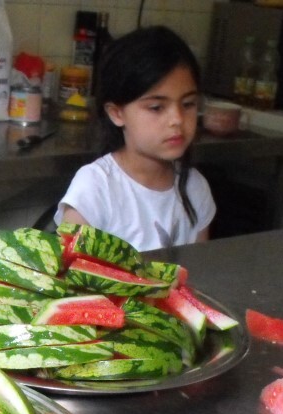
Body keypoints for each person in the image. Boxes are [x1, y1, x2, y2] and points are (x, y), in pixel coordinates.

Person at [55, 26, 216, 252]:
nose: (177, 119)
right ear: (117, 113)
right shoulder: (94, 188)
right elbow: (69, 269)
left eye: (188, 104)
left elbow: (199, 265)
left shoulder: (195, 188)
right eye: (156, 107)